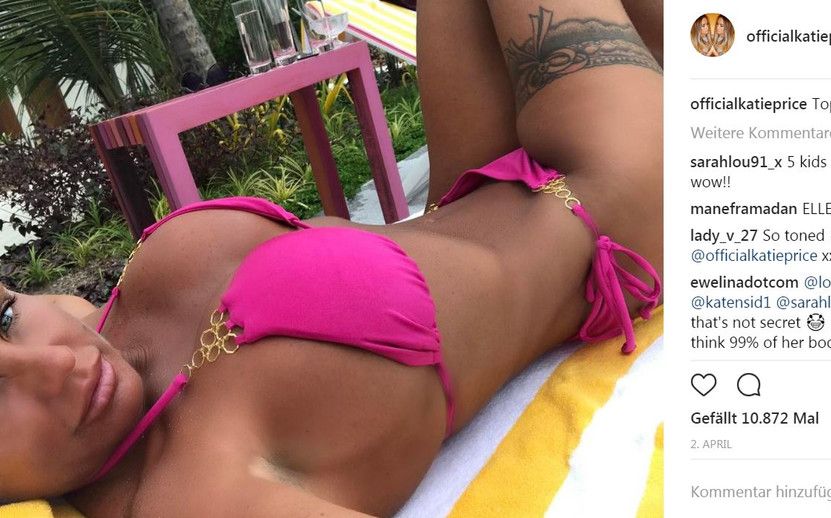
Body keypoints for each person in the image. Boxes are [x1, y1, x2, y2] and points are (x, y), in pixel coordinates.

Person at [0, 0, 663, 515]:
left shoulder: (81, 327)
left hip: (467, 188)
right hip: (602, 205)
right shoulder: (196, 498)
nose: (57, 365)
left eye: (6, 320)